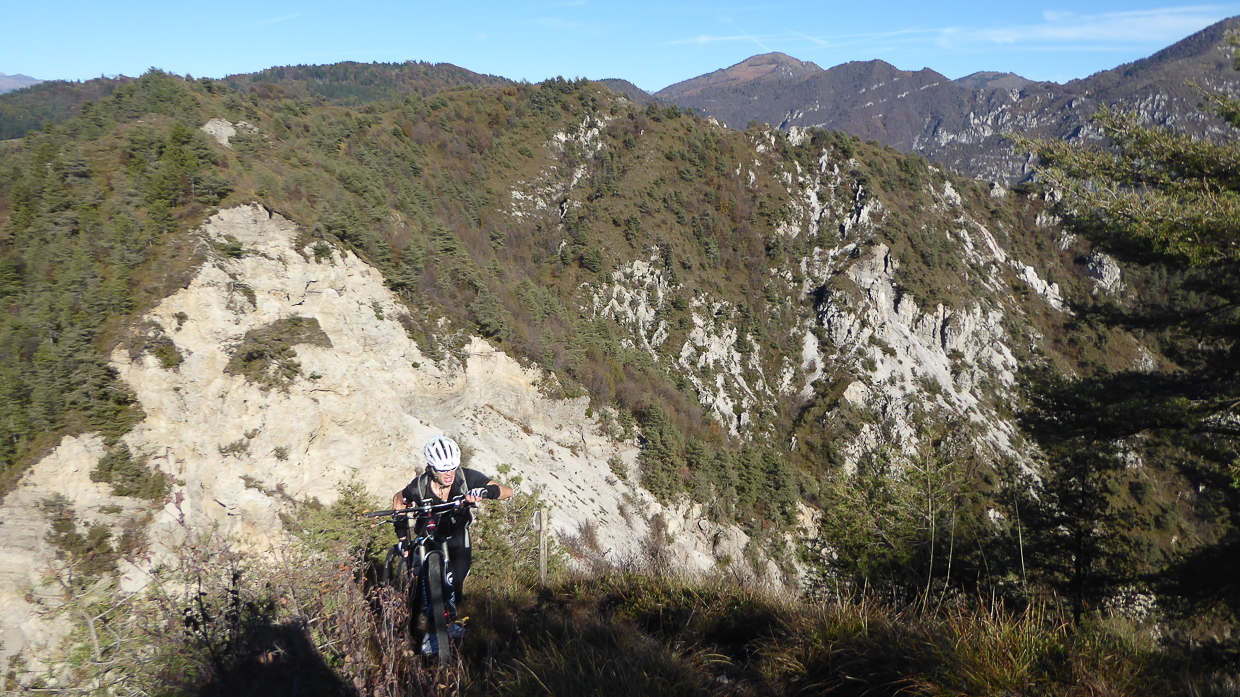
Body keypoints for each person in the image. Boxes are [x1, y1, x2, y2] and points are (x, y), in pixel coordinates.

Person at [391, 435, 512, 643]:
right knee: (427, 584)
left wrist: (485, 491)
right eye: (442, 469)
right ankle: (427, 629)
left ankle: (448, 624)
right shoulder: (418, 486)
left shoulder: (466, 477)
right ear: (431, 468)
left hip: (457, 535)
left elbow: (507, 491)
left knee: (455, 583)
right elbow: (398, 501)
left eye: (452, 467)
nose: (449, 474)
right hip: (428, 536)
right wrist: (403, 539)